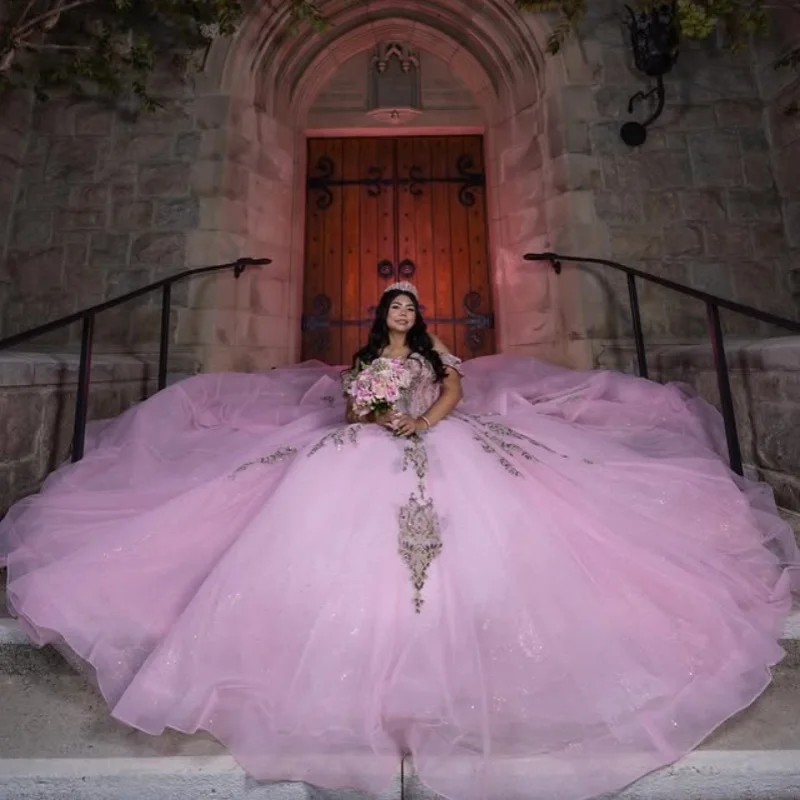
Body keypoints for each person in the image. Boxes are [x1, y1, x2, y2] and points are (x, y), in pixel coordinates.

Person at [0, 280, 797, 800]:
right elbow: (351, 411)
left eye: (411, 311)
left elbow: (455, 389)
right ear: (382, 316)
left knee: (491, 512)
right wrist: (375, 414)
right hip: (368, 441)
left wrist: (421, 417)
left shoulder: (429, 358)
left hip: (439, 436)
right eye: (395, 310)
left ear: (421, 319)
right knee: (315, 496)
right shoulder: (365, 364)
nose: (403, 318)